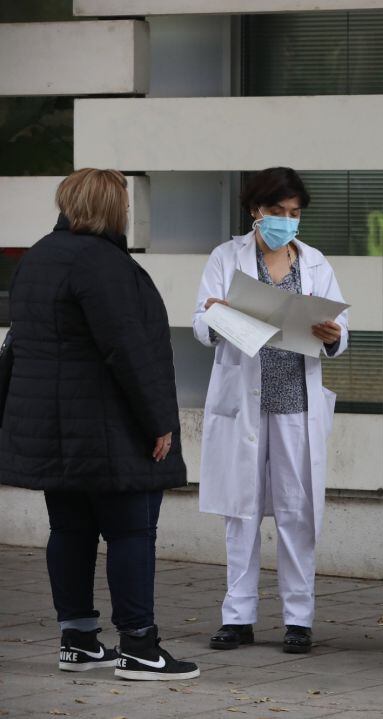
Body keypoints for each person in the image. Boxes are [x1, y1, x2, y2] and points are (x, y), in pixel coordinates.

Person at [0, 169, 198, 680]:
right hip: (108, 428)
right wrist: (159, 421)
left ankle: (79, 640)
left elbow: (21, 342)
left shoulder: (39, 256)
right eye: (126, 205)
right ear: (112, 208)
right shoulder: (104, 264)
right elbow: (127, 351)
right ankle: (138, 647)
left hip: (51, 427)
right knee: (132, 531)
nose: (130, 214)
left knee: (69, 528)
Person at [193, 167, 348, 655]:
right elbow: (201, 320)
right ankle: (237, 616)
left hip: (295, 403)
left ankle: (298, 618)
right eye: (277, 212)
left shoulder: (316, 263)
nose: (286, 221)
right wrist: (216, 316)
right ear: (255, 211)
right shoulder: (227, 257)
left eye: (294, 213)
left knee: (296, 512)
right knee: (240, 512)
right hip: (244, 402)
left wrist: (334, 335)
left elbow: (341, 328)